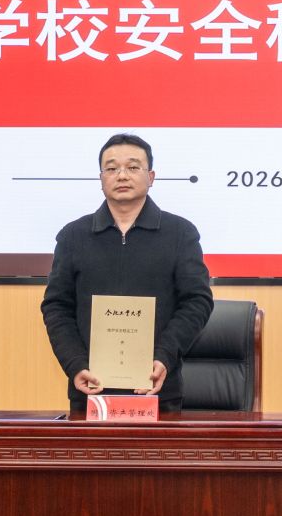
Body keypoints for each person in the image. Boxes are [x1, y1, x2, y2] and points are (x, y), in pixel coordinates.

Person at [41, 133, 214, 412]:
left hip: (158, 390)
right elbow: (56, 307)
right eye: (111, 168)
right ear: (101, 179)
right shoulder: (73, 236)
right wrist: (76, 365)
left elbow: (197, 301)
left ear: (151, 176)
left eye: (133, 167)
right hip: (90, 391)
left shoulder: (180, 233)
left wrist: (164, 356)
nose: (122, 175)